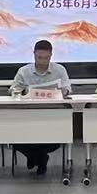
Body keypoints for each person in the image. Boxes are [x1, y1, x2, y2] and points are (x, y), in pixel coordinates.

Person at [9, 40, 71, 177]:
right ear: (34, 55)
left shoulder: (60, 70)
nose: (42, 61)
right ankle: (40, 159)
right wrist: (22, 92)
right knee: (15, 138)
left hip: (52, 118)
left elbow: (67, 90)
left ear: (51, 55)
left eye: (46, 58)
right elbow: (13, 90)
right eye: (39, 57)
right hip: (27, 118)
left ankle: (35, 158)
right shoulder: (24, 71)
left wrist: (62, 91)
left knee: (54, 139)